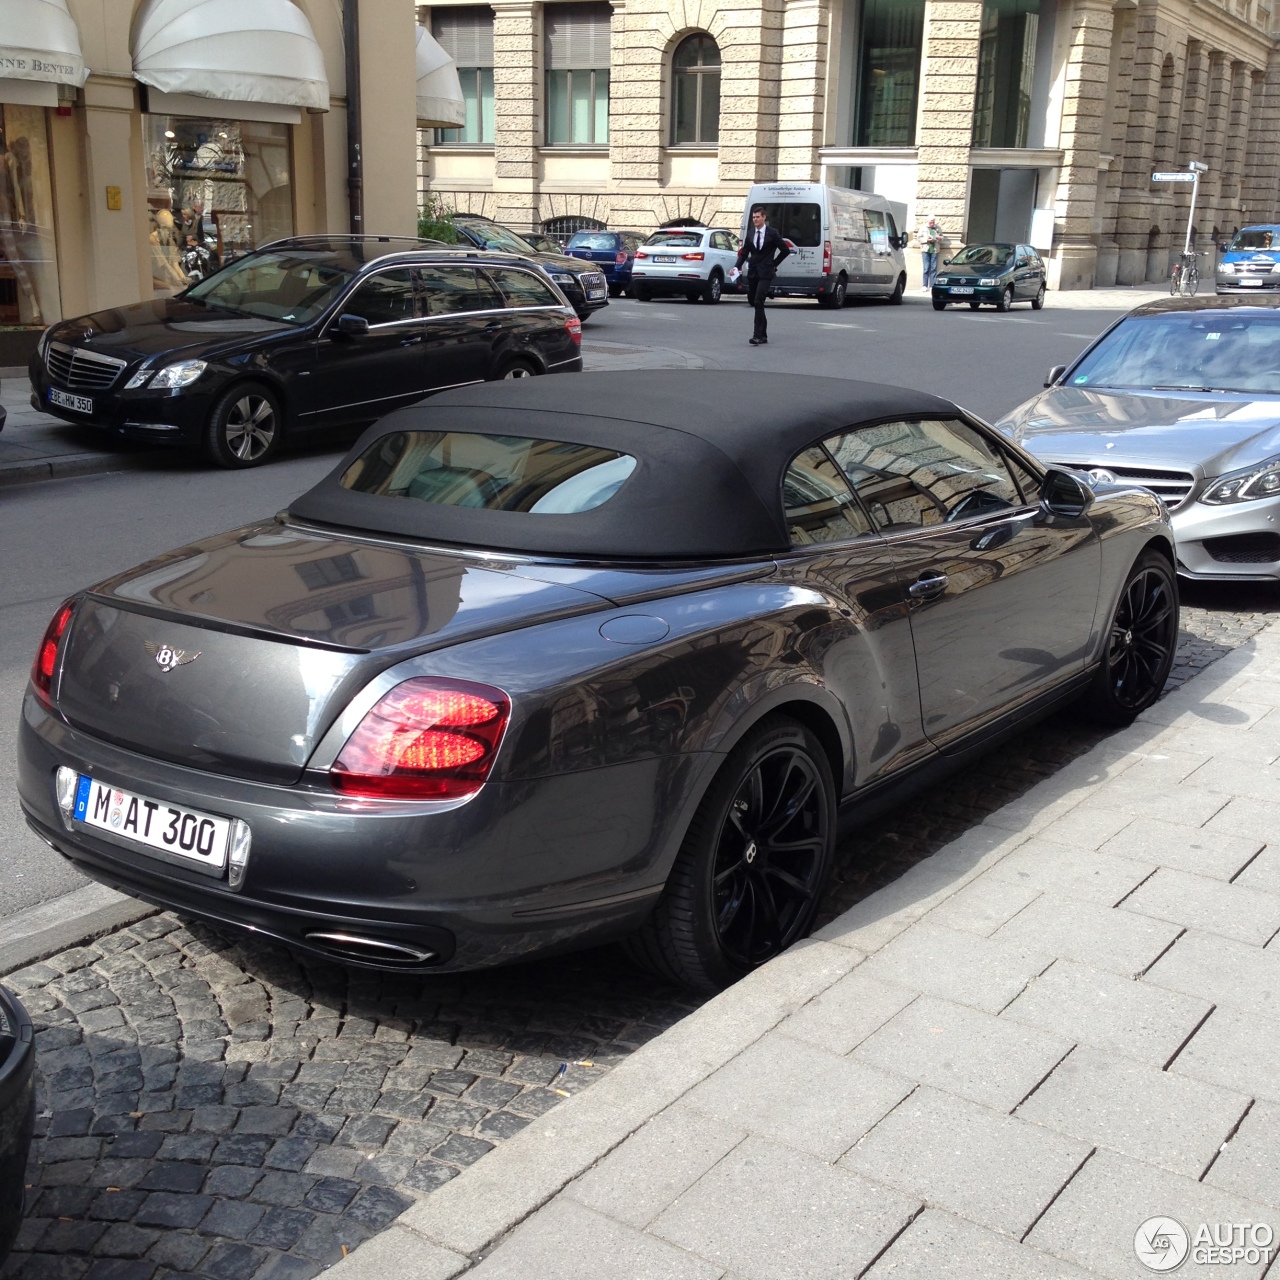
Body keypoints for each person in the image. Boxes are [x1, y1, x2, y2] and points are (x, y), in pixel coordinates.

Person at [731, 206, 791, 345]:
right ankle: (763, 334)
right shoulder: (751, 233)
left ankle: (757, 335)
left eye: (757, 217)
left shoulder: (772, 233)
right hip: (753, 272)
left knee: (759, 300)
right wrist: (736, 266)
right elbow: (744, 253)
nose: (755, 219)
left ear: (764, 217)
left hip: (766, 272)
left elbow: (785, 250)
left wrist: (774, 263)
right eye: (753, 217)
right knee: (756, 302)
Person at [919, 217, 942, 289]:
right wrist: (926, 240)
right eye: (930, 222)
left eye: (933, 222)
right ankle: (924, 285)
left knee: (933, 268)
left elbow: (941, 236)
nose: (932, 224)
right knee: (926, 268)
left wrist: (939, 238)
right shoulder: (923, 228)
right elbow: (919, 238)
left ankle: (932, 285)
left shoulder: (937, 228)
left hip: (935, 250)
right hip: (926, 249)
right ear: (928, 222)